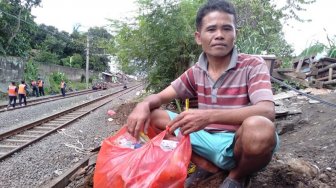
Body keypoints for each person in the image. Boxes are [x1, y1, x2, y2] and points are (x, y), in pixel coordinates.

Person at [126, 1, 279, 188]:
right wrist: (142, 105)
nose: (219, 35)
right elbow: (159, 97)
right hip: (206, 139)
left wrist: (209, 116)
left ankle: (236, 177)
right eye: (211, 29)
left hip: (239, 143)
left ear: (235, 34)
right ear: (199, 37)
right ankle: (207, 166)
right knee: (152, 115)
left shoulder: (252, 65)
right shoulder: (196, 72)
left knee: (260, 127)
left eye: (226, 29)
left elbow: (267, 110)